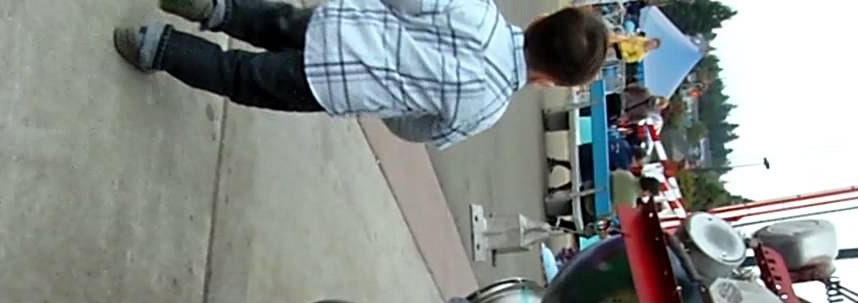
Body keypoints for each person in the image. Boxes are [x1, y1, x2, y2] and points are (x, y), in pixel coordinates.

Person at [114, 0, 610, 149]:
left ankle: (208, 5)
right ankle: (156, 45)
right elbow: (418, 131)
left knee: (265, 20)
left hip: (339, 23)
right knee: (242, 77)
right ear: (550, 82)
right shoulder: (487, 109)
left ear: (544, 19)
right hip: (335, 85)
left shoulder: (479, 12)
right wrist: (385, 106)